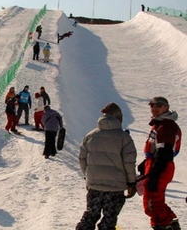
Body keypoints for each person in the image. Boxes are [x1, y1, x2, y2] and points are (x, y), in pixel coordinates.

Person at [76, 102, 137, 230]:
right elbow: (129, 162)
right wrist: (131, 183)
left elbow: (82, 158)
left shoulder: (91, 135)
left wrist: (88, 177)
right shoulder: (124, 138)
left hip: (94, 185)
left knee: (90, 215)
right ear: (119, 117)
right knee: (109, 219)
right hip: (115, 188)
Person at [138, 97, 181, 230]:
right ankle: (171, 223)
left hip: (162, 165)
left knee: (152, 202)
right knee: (153, 200)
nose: (154, 108)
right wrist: (146, 163)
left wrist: (155, 171)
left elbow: (164, 151)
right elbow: (157, 149)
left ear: (166, 108)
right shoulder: (159, 125)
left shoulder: (166, 126)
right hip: (156, 163)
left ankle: (163, 225)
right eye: (152, 105)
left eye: (158, 105)